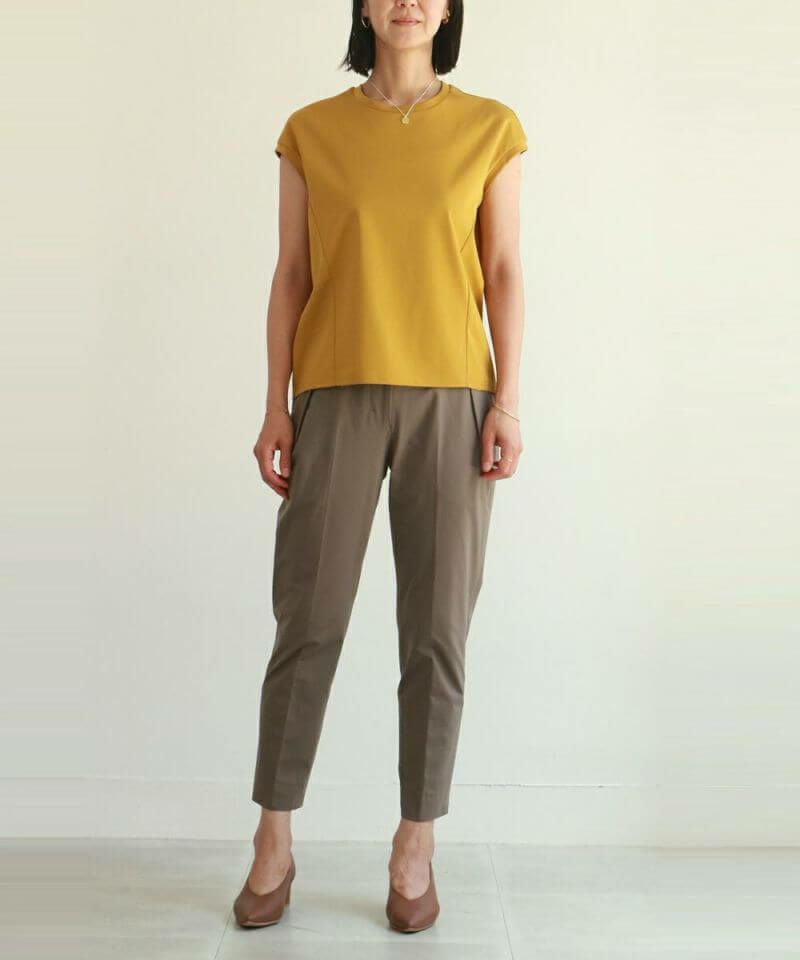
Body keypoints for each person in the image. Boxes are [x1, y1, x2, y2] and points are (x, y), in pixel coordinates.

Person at [232, 0, 527, 934]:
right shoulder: (311, 132)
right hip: (334, 393)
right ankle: (273, 837)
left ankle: (415, 841)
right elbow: (291, 273)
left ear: (449, 9)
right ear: (362, 6)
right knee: (308, 621)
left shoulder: (491, 128)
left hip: (454, 399)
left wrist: (508, 401)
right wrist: (275, 403)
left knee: (436, 633)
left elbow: (504, 269)